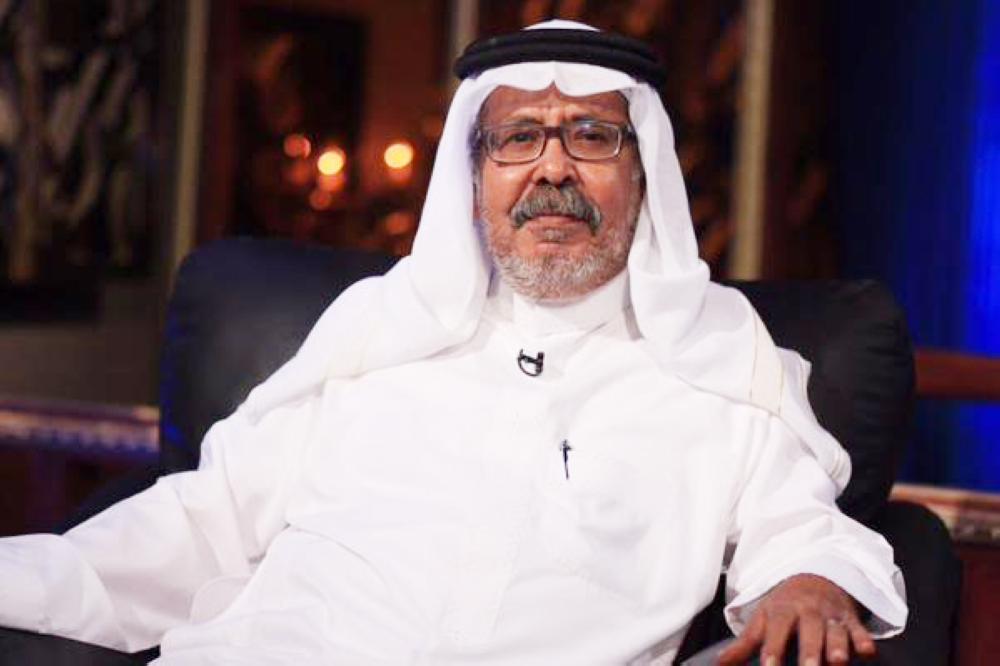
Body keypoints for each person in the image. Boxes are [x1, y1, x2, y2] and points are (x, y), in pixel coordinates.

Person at [0, 21, 905, 665]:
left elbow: (800, 529)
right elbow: (200, 524)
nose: (553, 168)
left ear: (644, 176)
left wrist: (808, 582)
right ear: (474, 181)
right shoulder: (377, 333)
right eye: (519, 138)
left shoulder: (715, 361)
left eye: (593, 136)